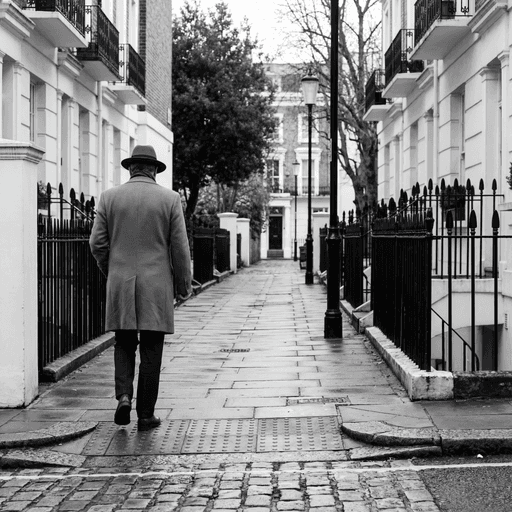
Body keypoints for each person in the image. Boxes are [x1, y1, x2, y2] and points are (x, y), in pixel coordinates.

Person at [90, 145, 192, 431]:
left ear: (131, 169)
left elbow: (96, 243)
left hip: (121, 283)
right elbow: (180, 249)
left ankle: (123, 396)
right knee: (151, 349)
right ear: (154, 170)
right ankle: (146, 414)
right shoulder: (170, 199)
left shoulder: (109, 198)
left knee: (123, 342)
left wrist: (112, 270)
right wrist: (183, 285)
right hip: (156, 287)